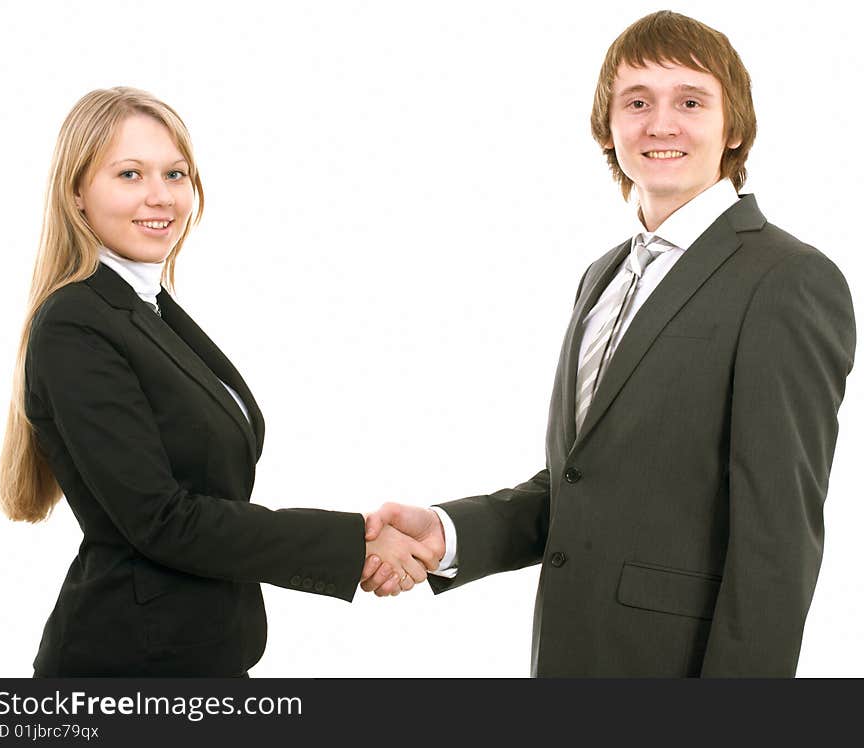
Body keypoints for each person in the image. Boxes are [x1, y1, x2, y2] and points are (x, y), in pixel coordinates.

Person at [361, 11, 856, 676]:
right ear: (609, 127)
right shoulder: (602, 276)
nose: (661, 124)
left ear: (732, 126)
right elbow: (584, 489)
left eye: (690, 101)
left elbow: (777, 542)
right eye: (637, 102)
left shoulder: (788, 279)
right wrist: (447, 533)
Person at [0, 87, 437, 677]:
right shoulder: (76, 323)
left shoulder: (149, 309)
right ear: (76, 193)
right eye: (130, 174)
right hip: (129, 668)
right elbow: (162, 519)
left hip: (201, 657)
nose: (161, 195)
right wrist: (350, 545)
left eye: (175, 173)